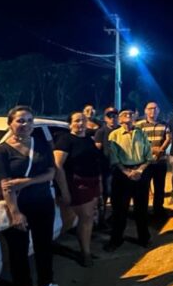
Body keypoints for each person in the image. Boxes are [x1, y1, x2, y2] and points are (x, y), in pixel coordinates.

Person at [0, 106, 65, 286]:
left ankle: (47, 285)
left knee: (44, 246)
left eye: (29, 121)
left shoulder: (40, 144)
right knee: (18, 251)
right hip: (18, 206)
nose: (25, 125)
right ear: (10, 123)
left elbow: (51, 173)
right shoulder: (1, 151)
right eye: (20, 121)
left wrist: (24, 182)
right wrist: (15, 213)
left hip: (43, 203)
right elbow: (5, 185)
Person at [54, 111, 104, 267]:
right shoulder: (65, 140)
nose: (80, 123)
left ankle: (85, 249)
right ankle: (85, 253)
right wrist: (65, 191)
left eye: (83, 120)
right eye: (76, 121)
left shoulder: (88, 140)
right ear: (70, 124)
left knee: (88, 218)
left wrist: (100, 182)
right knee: (86, 217)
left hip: (93, 182)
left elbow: (95, 162)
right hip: (77, 184)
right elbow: (58, 166)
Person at [104, 109, 154, 251]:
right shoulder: (114, 135)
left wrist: (139, 170)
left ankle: (144, 238)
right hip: (121, 175)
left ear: (135, 118)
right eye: (125, 114)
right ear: (119, 120)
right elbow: (114, 158)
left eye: (131, 114)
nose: (128, 116)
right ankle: (116, 239)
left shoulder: (141, 133)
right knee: (120, 210)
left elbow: (148, 156)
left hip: (140, 173)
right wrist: (126, 172)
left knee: (141, 209)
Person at [136, 102, 171, 219]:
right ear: (145, 110)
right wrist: (152, 149)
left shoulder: (164, 124)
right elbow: (137, 141)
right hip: (145, 163)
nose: (153, 111)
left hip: (160, 162)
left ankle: (158, 211)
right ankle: (143, 211)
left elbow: (168, 139)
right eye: (150, 108)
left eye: (155, 108)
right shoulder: (139, 125)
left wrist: (161, 150)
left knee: (160, 187)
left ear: (159, 110)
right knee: (144, 188)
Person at [93, 106, 119, 229]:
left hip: (120, 169)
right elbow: (97, 149)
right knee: (105, 195)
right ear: (105, 119)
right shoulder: (101, 132)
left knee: (117, 195)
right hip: (106, 169)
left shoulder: (121, 130)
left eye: (115, 116)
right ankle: (102, 220)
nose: (113, 119)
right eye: (110, 117)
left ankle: (115, 217)